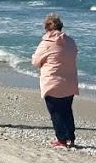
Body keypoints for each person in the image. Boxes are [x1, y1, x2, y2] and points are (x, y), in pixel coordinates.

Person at [31, 13, 78, 148]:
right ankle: (70, 138)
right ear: (60, 27)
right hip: (69, 81)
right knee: (67, 110)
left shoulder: (46, 43)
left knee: (55, 112)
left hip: (52, 82)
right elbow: (74, 54)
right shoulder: (70, 41)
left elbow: (36, 62)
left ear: (46, 28)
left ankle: (62, 140)